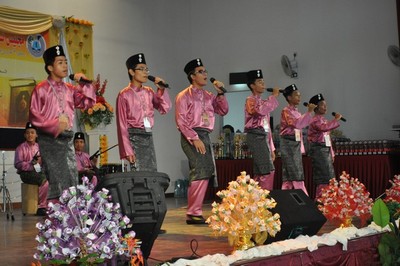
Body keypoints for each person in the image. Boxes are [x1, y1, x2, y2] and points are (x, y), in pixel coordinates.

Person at [29, 45, 96, 202]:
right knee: (56, 180)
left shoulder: (70, 89)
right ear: (50, 67)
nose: (65, 65)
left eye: (65, 62)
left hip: (67, 140)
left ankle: (70, 219)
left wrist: (84, 84)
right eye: (60, 62)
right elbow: (34, 116)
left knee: (71, 177)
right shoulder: (41, 89)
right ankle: (57, 221)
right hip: (50, 140)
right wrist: (55, 125)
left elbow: (87, 103)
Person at [175, 58, 229, 224]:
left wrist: (220, 93)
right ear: (192, 76)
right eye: (201, 72)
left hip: (205, 135)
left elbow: (223, 110)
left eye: (205, 71)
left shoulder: (209, 96)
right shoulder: (184, 96)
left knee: (205, 171)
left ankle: (194, 210)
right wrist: (194, 138)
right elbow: (181, 121)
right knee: (199, 169)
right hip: (191, 135)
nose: (205, 74)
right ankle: (193, 212)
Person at [116, 53, 171, 172]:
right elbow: (121, 125)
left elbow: (165, 108)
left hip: (148, 136)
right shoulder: (124, 94)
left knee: (151, 173)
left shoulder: (149, 92)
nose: (146, 72)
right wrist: (127, 149)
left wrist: (161, 89)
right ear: (131, 72)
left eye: (146, 69)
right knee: (138, 175)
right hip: (133, 137)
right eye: (141, 69)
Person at [244, 69, 280, 191]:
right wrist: (274, 97)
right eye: (259, 82)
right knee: (267, 171)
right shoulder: (250, 100)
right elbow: (259, 111)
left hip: (263, 137)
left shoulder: (263, 102)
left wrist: (272, 148)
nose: (263, 84)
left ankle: (256, 202)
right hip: (255, 136)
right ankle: (264, 200)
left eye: (263, 81)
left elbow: (267, 128)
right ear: (252, 85)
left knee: (261, 171)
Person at [279, 84, 316, 196]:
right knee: (295, 173)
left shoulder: (297, 112)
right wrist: (309, 112)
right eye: (296, 95)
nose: (299, 97)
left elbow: (302, 124)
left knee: (289, 175)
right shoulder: (286, 111)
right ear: (289, 97)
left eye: (299, 95)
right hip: (289, 143)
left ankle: (285, 200)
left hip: (294, 143)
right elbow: (297, 124)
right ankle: (304, 199)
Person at [307, 94, 342, 198]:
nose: (325, 107)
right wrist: (335, 120)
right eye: (322, 105)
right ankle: (321, 201)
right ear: (316, 107)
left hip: (325, 150)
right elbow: (323, 128)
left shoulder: (324, 120)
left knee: (329, 177)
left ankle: (329, 201)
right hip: (318, 150)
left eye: (325, 105)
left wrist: (332, 153)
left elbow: (328, 139)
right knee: (323, 177)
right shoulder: (315, 120)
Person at [14, 122, 49, 216]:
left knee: (51, 176)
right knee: (44, 180)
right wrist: (30, 164)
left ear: (36, 134)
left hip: (38, 170)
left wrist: (40, 163)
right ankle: (41, 207)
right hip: (25, 173)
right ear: (25, 135)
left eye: (32, 132)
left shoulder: (40, 147)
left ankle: (51, 205)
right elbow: (17, 164)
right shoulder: (20, 148)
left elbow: (44, 162)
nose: (30, 135)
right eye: (28, 133)